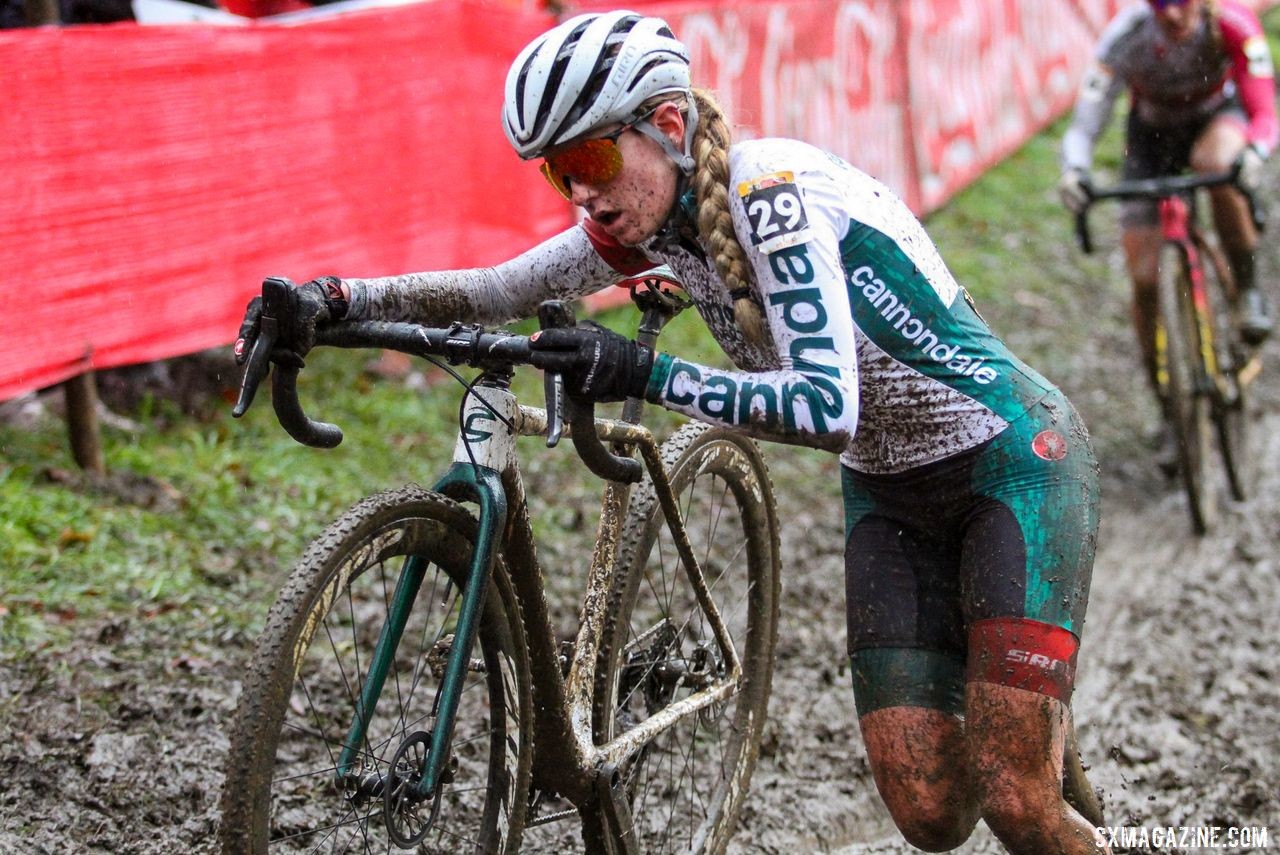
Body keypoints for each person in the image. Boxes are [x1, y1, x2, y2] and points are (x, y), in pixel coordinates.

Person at [235, 11, 1108, 853]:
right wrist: (337, 299)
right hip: (889, 491)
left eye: (590, 157)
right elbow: (496, 287)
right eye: (556, 172)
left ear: (666, 123)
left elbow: (825, 407)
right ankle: (1022, 699)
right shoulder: (652, 218)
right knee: (931, 814)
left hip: (1011, 463)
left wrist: (644, 370)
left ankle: (1030, 730)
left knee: (1015, 803)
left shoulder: (768, 196)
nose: (580, 190)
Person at [1058, 0, 1278, 460]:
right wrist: (1074, 170)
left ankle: (1247, 288)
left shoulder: (1231, 22)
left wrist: (1255, 152)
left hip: (1218, 120)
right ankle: (1170, 410)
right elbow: (1086, 120)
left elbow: (1264, 108)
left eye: (1180, 2)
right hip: (1151, 138)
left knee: (1217, 165)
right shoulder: (1126, 36)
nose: (1171, 14)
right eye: (1160, 3)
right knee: (1143, 280)